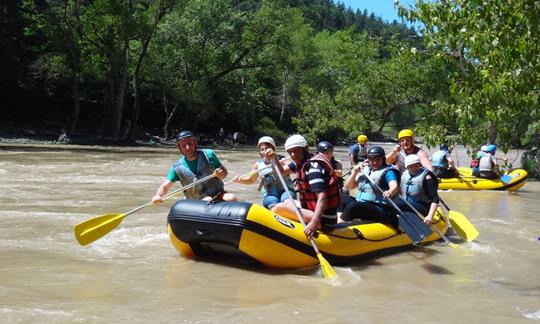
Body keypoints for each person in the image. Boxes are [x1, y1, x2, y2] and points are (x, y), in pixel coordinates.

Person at [270, 135, 341, 238]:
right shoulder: (300, 162)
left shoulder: (313, 168)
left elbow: (322, 197)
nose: (293, 155)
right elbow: (281, 172)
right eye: (290, 152)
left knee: (278, 208)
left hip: (324, 219)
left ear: (306, 148)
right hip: (313, 212)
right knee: (288, 202)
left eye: (296, 151)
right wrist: (274, 158)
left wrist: (313, 223)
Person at [152, 130, 236, 204]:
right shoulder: (176, 168)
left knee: (231, 198)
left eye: (190, 144)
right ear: (179, 148)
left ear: (195, 143)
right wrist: (157, 196)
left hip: (218, 195)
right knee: (207, 200)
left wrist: (220, 174)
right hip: (195, 203)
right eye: (184, 146)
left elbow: (224, 173)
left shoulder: (209, 154)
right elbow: (165, 186)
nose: (187, 148)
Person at [341, 146, 400, 229]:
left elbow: (395, 186)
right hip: (363, 203)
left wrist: (390, 191)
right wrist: (354, 172)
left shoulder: (388, 172)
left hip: (381, 209)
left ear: (383, 159)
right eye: (372, 159)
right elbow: (348, 186)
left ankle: (339, 227)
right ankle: (337, 220)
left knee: (354, 206)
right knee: (341, 199)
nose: (375, 162)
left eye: (378, 159)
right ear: (368, 159)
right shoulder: (365, 170)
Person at [232, 136, 293, 209]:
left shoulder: (282, 160)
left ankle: (290, 210)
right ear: (260, 152)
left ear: (273, 149)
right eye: (262, 149)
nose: (264, 151)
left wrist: (275, 158)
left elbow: (293, 168)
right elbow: (251, 180)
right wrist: (239, 180)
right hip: (271, 195)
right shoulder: (258, 165)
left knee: (286, 200)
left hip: (286, 191)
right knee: (271, 202)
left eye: (267, 148)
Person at [396, 154, 439, 224]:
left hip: (423, 208)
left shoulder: (427, 177)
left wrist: (430, 216)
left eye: (416, 166)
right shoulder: (405, 174)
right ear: (407, 167)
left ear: (420, 165)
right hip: (409, 205)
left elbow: (435, 199)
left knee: (399, 204)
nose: (414, 169)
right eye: (411, 167)